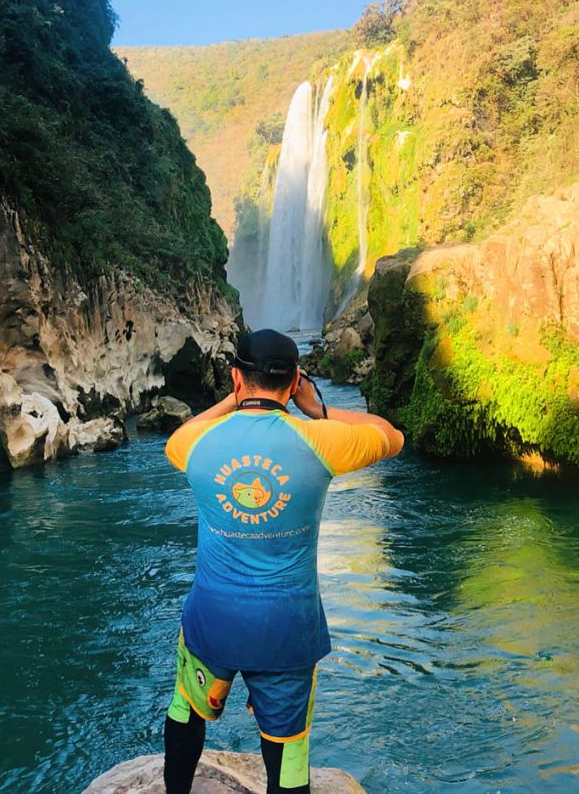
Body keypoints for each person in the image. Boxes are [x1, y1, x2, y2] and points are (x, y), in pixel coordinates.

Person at [163, 329, 404, 794]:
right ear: (294, 382)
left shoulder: (195, 444)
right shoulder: (320, 440)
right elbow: (391, 435)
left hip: (212, 619)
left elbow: (178, 434)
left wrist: (233, 400)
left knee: (186, 710)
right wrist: (318, 409)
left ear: (236, 377)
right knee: (288, 754)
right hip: (287, 629)